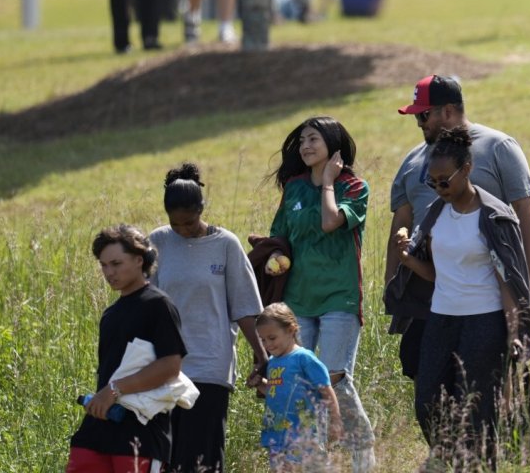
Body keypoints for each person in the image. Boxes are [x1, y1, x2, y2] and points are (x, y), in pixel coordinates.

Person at [395, 127, 530, 469]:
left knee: (479, 410)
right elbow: (436, 273)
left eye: (444, 180)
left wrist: (513, 331)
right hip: (442, 318)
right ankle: (451, 455)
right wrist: (407, 259)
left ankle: (478, 464)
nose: (439, 188)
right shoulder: (435, 213)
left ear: (466, 169)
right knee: (427, 401)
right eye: (432, 182)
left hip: (485, 320)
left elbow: (507, 280)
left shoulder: (493, 217)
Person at [385, 74, 530, 381]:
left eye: (424, 115)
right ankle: (452, 427)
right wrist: (392, 283)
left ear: (447, 111)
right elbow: (402, 222)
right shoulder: (412, 161)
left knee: (495, 366)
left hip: (486, 280)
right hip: (430, 282)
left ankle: (506, 422)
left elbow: (523, 209)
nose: (419, 123)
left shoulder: (498, 146)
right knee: (420, 364)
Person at [263, 116, 376, 473]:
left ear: (334, 146)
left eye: (314, 139)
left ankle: (362, 452)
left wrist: (328, 181)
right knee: (299, 382)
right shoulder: (294, 188)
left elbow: (330, 222)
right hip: (298, 300)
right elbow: (279, 236)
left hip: (339, 297)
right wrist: (274, 258)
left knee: (335, 376)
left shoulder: (355, 187)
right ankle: (314, 462)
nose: (306, 146)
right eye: (302, 141)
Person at [149, 163, 266, 473]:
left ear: (202, 209)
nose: (184, 230)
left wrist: (261, 353)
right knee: (167, 458)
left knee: (205, 458)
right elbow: (146, 304)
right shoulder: (157, 242)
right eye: (176, 225)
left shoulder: (226, 244)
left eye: (190, 222)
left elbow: (244, 306)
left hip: (211, 363)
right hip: (166, 365)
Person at [67, 225, 187, 472]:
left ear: (138, 260)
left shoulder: (159, 305)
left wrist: (113, 391)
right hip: (100, 425)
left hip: (142, 431)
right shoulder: (110, 313)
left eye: (116, 263)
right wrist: (106, 396)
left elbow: (170, 366)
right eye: (103, 265)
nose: (109, 272)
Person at [252, 302, 341, 473]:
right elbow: (274, 391)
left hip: (304, 434)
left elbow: (326, 389)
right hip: (277, 435)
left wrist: (335, 422)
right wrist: (260, 384)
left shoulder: (304, 358)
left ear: (291, 330)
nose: (267, 345)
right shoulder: (272, 363)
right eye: (263, 340)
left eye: (272, 338)